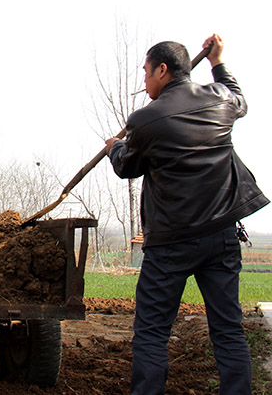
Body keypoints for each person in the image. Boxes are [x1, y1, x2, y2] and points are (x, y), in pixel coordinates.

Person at [105, 34, 269, 395]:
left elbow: (127, 167)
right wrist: (218, 62)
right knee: (228, 329)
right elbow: (238, 98)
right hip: (221, 235)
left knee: (151, 333)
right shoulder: (218, 100)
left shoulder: (146, 121)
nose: (144, 81)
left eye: (146, 73)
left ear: (163, 70)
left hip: (170, 244)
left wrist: (114, 148)